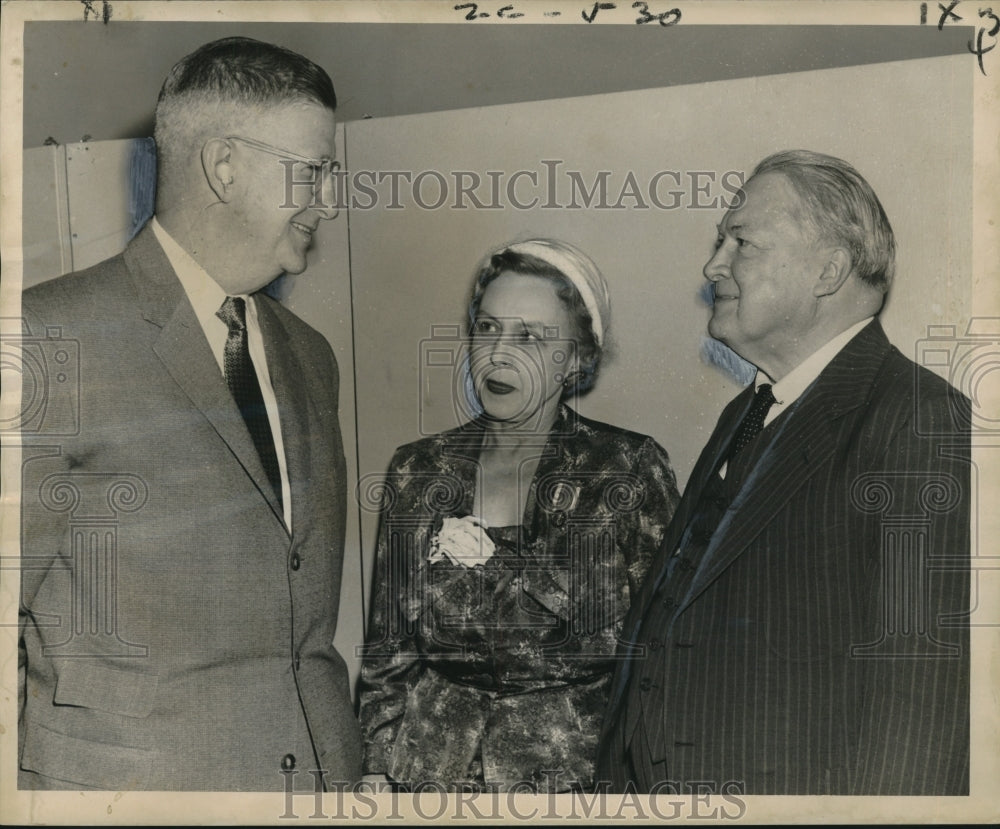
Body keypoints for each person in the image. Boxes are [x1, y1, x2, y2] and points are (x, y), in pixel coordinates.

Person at [18, 37, 361, 791]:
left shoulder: (312, 356)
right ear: (224, 165)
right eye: (312, 173)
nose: (329, 201)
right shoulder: (48, 335)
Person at [597, 150, 971, 795]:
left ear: (827, 271)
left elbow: (926, 698)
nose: (712, 265)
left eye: (741, 241)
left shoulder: (918, 417)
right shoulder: (746, 411)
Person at [357, 238, 680, 792]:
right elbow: (390, 653)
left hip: (574, 782)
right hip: (431, 780)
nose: (498, 355)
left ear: (577, 358)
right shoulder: (418, 470)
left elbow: (662, 650)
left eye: (529, 336)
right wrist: (375, 769)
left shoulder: (624, 469)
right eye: (487, 328)